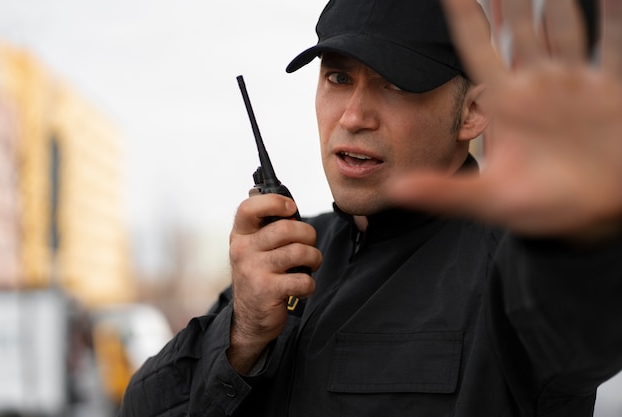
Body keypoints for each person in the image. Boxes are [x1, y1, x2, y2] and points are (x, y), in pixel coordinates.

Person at [117, 0, 622, 415]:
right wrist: (242, 335)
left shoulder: (514, 267)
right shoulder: (284, 258)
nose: (355, 116)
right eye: (338, 79)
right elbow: (140, 407)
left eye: (396, 84)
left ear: (473, 111)